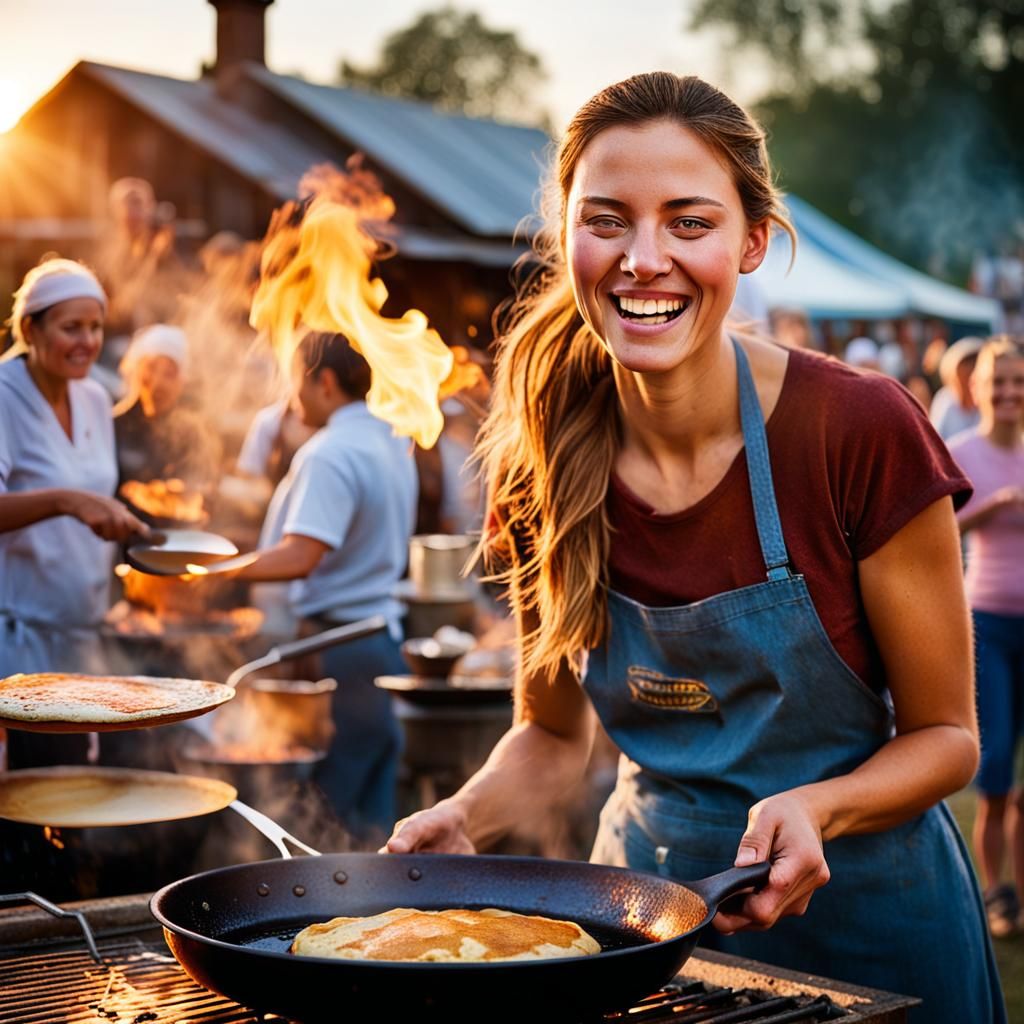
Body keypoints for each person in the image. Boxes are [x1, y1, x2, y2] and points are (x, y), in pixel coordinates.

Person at [385, 73, 1005, 1020]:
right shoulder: (540, 456)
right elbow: (554, 736)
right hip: (646, 926)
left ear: (751, 240)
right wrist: (464, 814)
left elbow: (948, 738)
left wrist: (819, 807)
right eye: (608, 221)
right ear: (566, 239)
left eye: (688, 222)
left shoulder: (858, 429)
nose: (643, 259)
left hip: (873, 912)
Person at [235, 331, 417, 840]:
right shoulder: (390, 438)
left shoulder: (330, 452)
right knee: (377, 812)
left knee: (327, 813)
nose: (292, 402)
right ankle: (383, 912)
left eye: (297, 385)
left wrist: (216, 574)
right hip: (380, 642)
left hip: (339, 650)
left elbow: (301, 555)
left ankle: (325, 912)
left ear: (326, 383)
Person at [0, 258, 149, 764]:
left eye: (95, 327)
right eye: (71, 328)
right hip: (18, 640)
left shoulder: (93, 396)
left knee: (78, 785)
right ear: (29, 329)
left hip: (86, 630)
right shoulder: (4, 396)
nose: (87, 341)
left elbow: (95, 492)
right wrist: (67, 501)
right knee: (29, 790)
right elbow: (72, 498)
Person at [949, 336, 1024, 939]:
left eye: (1018, 383)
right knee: (994, 764)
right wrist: (992, 504)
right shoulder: (962, 452)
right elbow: (937, 533)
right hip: (989, 623)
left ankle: (1018, 891)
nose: (1008, 393)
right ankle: (995, 891)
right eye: (997, 383)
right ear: (978, 390)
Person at [114, 324, 221, 491]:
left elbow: (206, 489)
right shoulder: (112, 425)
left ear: (182, 381)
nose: (158, 383)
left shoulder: (195, 435)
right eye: (151, 368)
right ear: (135, 371)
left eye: (169, 373)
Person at [930, 335, 983, 440]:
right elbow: (936, 439)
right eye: (962, 377)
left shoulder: (989, 400)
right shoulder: (945, 400)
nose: (967, 383)